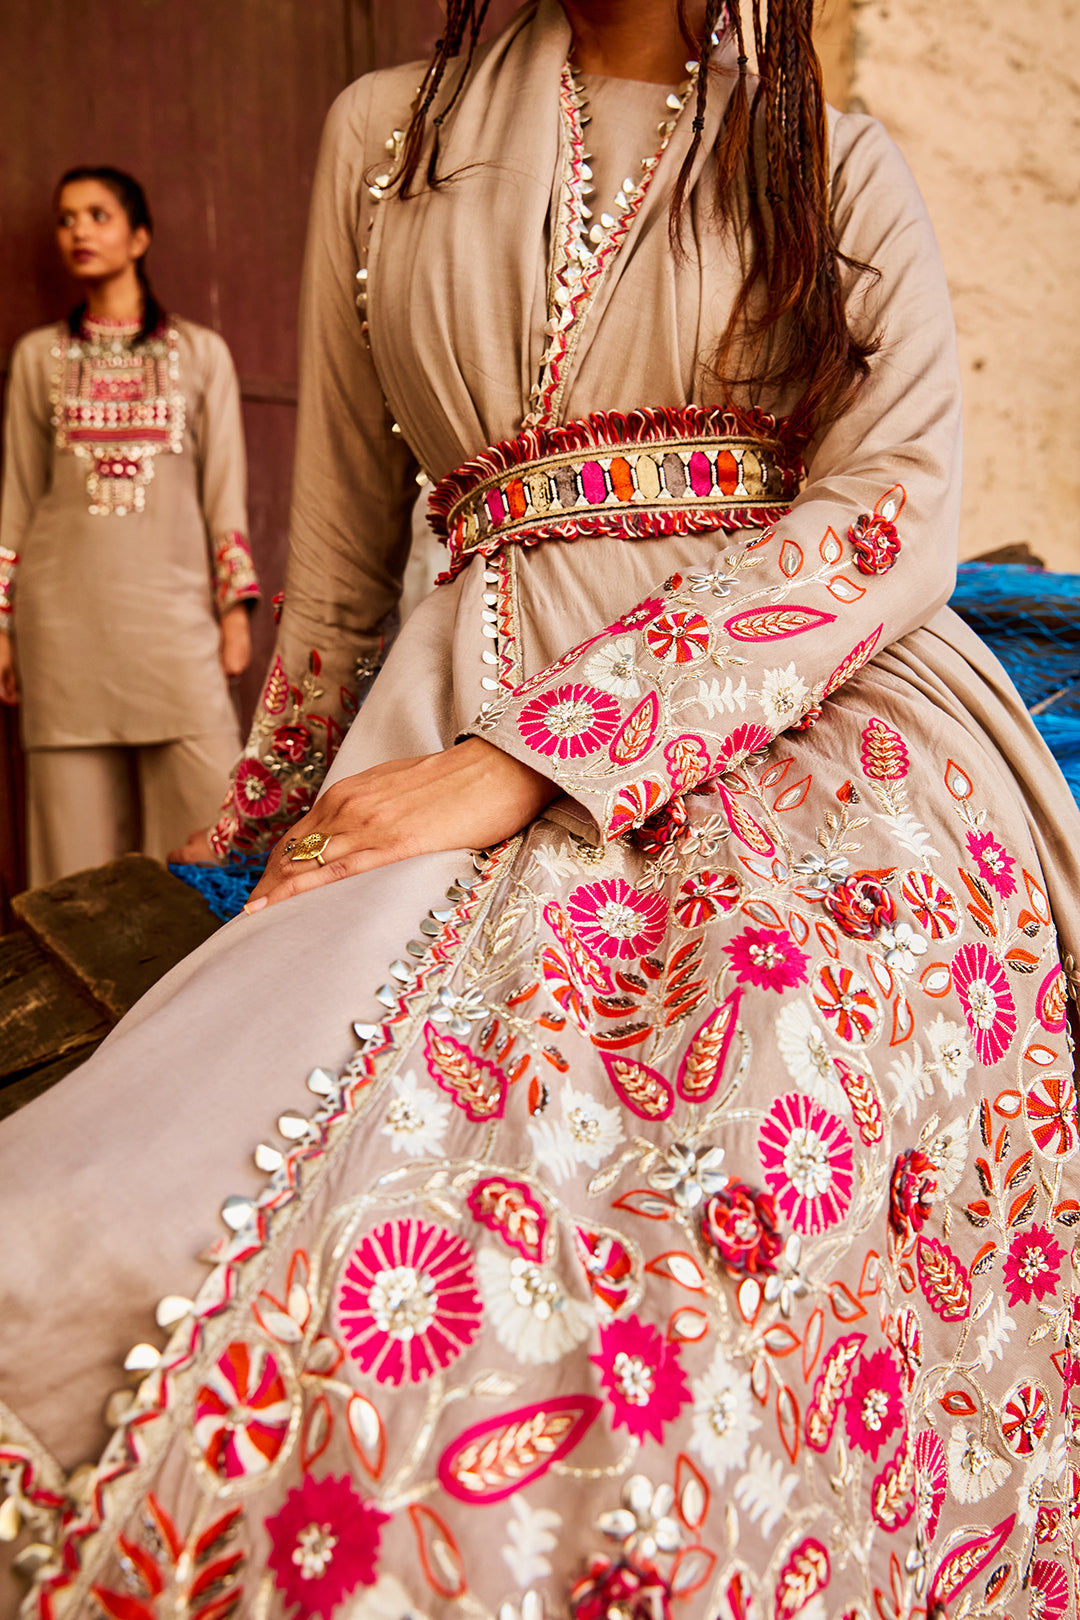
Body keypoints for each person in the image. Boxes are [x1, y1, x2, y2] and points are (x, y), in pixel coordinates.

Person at [1, 3, 1078, 1615]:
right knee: (104, 1201)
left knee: (744, 1143)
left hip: (810, 720)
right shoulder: (389, 135)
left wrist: (539, 758)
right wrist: (257, 839)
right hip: (448, 695)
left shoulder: (833, 162)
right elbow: (352, 563)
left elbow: (894, 502)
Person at [0, 166, 259, 887]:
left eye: (98, 215)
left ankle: (209, 999)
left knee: (216, 833)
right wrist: (3, 624)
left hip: (172, 623)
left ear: (140, 236)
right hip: (62, 631)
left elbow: (224, 492)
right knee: (71, 867)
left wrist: (233, 613)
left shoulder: (200, 354)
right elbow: (18, 498)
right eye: (65, 218)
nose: (78, 230)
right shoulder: (35, 358)